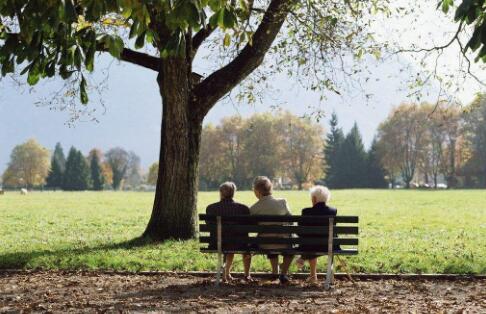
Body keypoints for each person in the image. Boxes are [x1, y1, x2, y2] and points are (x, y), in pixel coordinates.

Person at [249, 176, 294, 284]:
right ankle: (283, 274)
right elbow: (291, 220)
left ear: (257, 192)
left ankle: (275, 272)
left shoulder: (254, 208)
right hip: (283, 243)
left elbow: (249, 225)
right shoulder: (282, 202)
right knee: (290, 245)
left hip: (264, 244)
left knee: (268, 237)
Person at [206, 182, 252, 282]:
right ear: (234, 193)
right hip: (240, 243)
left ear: (220, 193)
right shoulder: (243, 209)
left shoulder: (211, 208)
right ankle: (247, 275)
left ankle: (226, 274)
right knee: (243, 244)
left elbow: (209, 224)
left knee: (228, 243)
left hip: (217, 243)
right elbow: (248, 226)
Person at [296, 185, 337, 284]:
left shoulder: (306, 212)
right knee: (315, 239)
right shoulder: (333, 211)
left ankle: (306, 262)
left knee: (310, 240)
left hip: (310, 245)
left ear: (314, 199)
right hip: (329, 245)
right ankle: (313, 274)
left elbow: (300, 231)